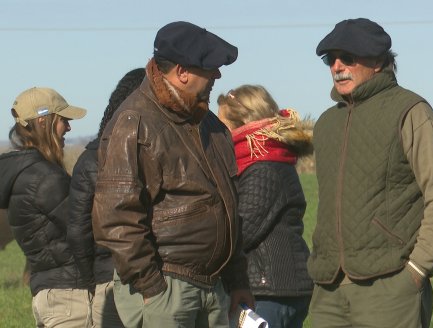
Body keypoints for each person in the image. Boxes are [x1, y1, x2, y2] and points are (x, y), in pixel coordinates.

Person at [91, 21, 254, 328]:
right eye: (210, 68)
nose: (217, 76)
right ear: (182, 72)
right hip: (166, 288)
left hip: (213, 288)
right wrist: (153, 288)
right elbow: (115, 218)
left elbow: (229, 207)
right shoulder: (135, 122)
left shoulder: (212, 127)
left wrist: (237, 280)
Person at [307, 18, 433, 328]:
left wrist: (416, 271)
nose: (337, 66)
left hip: (390, 286)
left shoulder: (410, 110)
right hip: (328, 290)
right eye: (330, 59)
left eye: (348, 57)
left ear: (378, 61)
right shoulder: (326, 123)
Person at [217, 85, 314, 327]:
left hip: (270, 288)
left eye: (223, 126)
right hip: (276, 286)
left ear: (243, 123)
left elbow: (241, 229)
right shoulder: (267, 161)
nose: (219, 135)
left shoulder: (263, 168)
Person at [0, 87, 91, 327]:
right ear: (43, 121)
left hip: (50, 295)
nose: (69, 128)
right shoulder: (45, 179)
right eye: (63, 120)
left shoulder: (22, 174)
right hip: (71, 299)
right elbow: (88, 230)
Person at [67, 68, 146, 328]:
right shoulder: (156, 154)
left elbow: (78, 231)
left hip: (108, 281)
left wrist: (92, 280)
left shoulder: (90, 159)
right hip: (150, 279)